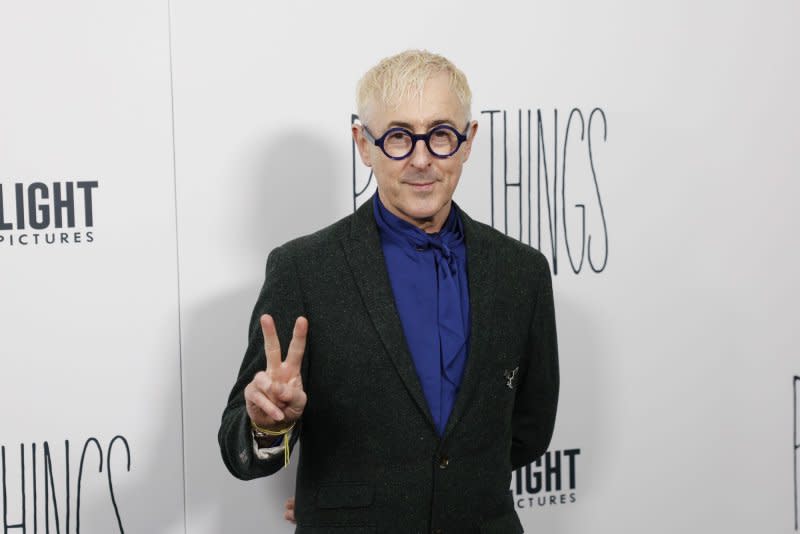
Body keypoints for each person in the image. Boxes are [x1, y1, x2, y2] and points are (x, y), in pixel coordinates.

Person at [218, 49, 559, 534]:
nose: (421, 160)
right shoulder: (304, 269)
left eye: (441, 134)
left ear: (468, 142)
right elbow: (241, 447)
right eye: (399, 137)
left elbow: (529, 430)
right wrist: (269, 426)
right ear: (363, 143)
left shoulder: (521, 272)